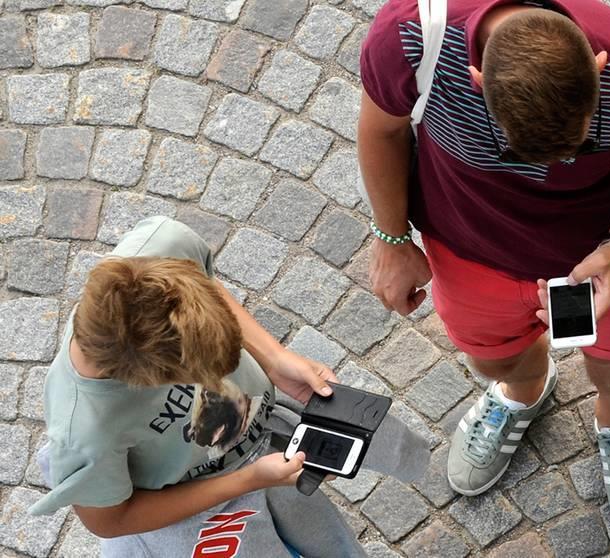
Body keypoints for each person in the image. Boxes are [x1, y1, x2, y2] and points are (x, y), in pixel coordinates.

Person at [359, 0, 610, 535]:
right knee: (495, 361)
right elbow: (382, 128)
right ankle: (524, 391)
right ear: (476, 79)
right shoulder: (410, 36)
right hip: (468, 248)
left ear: (598, 66)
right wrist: (390, 238)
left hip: (605, 259)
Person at [28, 216, 428, 557]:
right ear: (146, 380)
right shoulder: (83, 432)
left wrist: (273, 358)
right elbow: (112, 519)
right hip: (197, 511)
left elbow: (203, 285)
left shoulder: (160, 249)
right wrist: (248, 480)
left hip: (261, 449)